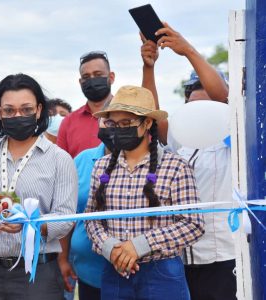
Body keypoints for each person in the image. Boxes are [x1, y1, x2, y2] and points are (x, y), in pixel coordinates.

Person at [0, 73, 78, 300]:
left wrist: (29, 225)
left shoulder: (59, 159)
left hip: (37, 273)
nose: (17, 115)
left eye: (26, 109)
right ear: (0, 112)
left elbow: (66, 217)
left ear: (39, 110)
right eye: (9, 110)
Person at [141, 24, 235, 300]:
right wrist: (149, 67)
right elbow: (150, 115)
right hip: (181, 260)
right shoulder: (181, 141)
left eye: (207, 107)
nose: (199, 115)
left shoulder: (236, 139)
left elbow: (226, 97)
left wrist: (188, 51)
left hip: (224, 259)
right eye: (192, 106)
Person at [85, 85, 204, 300]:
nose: (119, 130)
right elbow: (92, 219)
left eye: (127, 124)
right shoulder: (101, 167)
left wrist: (140, 245)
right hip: (115, 270)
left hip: (162, 273)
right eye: (114, 124)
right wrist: (111, 248)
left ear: (147, 123)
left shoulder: (176, 166)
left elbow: (193, 224)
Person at [58, 114, 113, 299]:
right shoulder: (83, 160)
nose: (114, 127)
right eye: (108, 121)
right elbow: (69, 212)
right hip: (87, 273)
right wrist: (63, 258)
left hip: (130, 271)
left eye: (124, 122)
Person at [57, 51, 115, 158]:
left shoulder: (129, 116)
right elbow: (61, 165)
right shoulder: (68, 122)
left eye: (98, 75)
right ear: (80, 82)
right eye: (86, 76)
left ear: (111, 77)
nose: (92, 79)